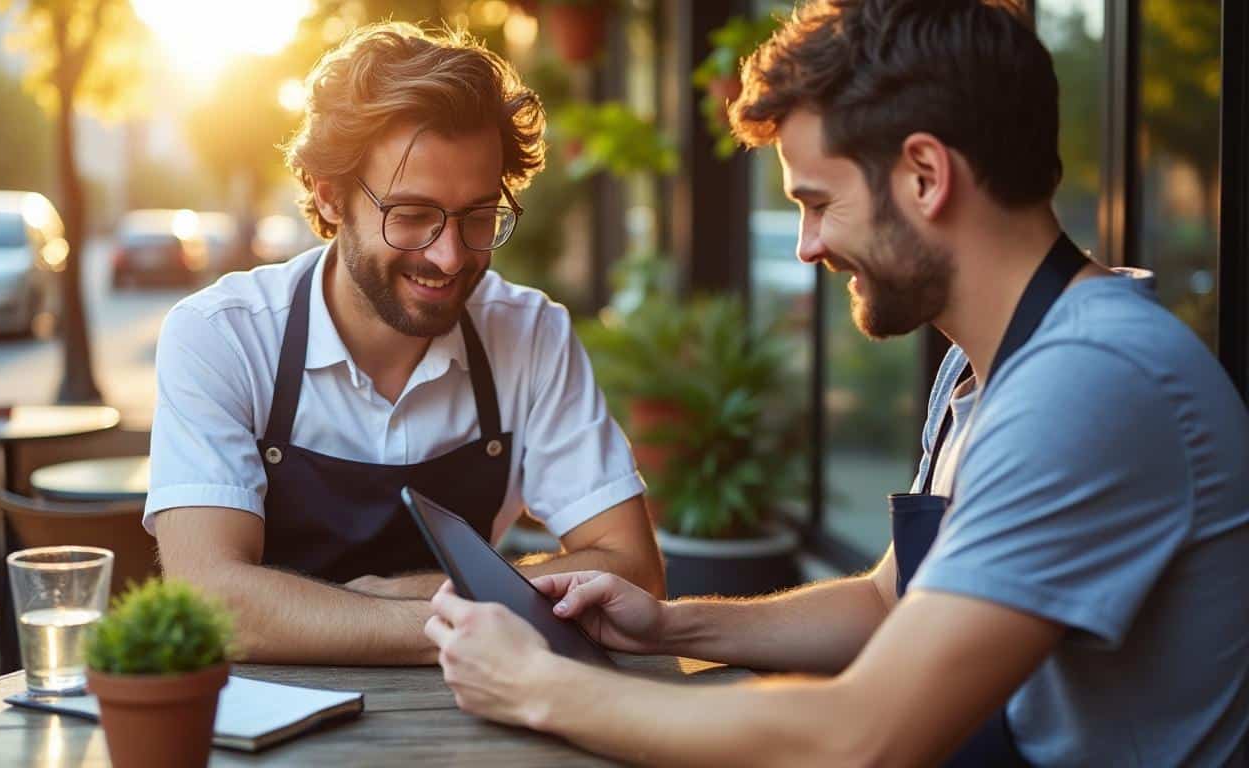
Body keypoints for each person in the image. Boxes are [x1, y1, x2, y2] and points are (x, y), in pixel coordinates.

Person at [424, 1, 1249, 764]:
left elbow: (864, 738)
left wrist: (540, 688)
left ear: (925, 175)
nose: (806, 248)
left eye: (817, 202)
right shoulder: (990, 363)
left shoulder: (1092, 382)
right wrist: (671, 625)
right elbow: (891, 603)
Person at [146, 23, 664, 665]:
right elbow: (210, 602)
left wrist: (413, 593)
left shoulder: (530, 333)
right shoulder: (223, 335)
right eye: (412, 215)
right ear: (328, 195)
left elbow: (633, 572)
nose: (448, 257)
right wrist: (464, 614)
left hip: (477, 715)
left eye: (478, 217)